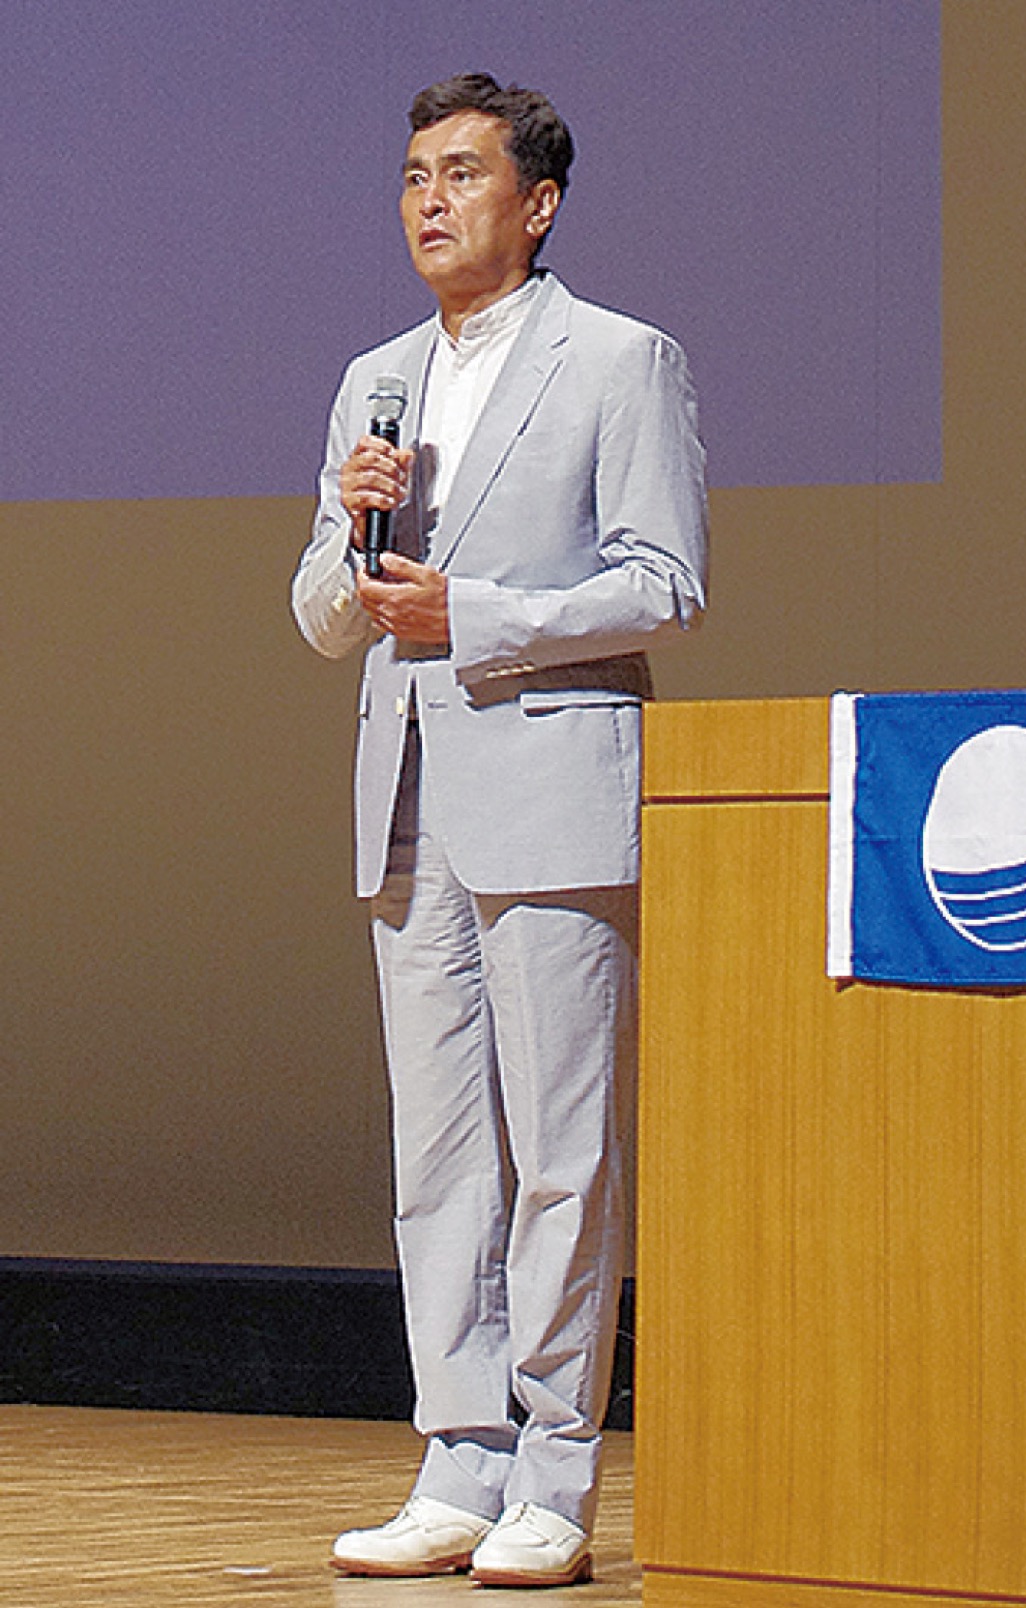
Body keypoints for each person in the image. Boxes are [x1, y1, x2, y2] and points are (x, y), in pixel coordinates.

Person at [291, 72, 707, 1588]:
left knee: (562, 1153)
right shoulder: (376, 381)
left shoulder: (620, 360)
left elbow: (663, 582)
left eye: (462, 174)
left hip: (550, 784)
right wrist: (356, 543)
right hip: (409, 799)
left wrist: (479, 614)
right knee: (442, 1156)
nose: (429, 199)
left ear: (538, 205)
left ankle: (556, 1471)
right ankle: (457, 1462)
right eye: (415, 174)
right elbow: (323, 615)